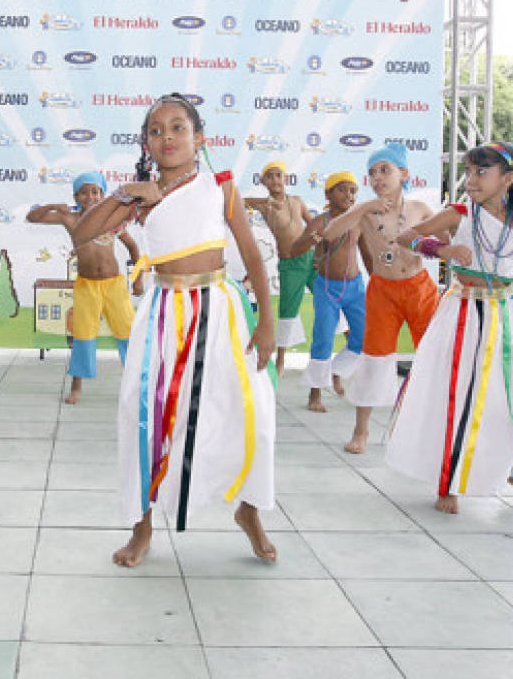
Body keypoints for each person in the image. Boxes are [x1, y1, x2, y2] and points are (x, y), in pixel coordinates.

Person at [72, 93, 277, 567]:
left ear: (199, 138)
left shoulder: (219, 185)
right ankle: (141, 526)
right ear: (146, 141)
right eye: (156, 129)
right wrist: (127, 194)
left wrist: (266, 321)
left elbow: (250, 255)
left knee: (252, 415)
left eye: (178, 127)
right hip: (163, 313)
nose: (167, 137)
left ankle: (249, 510)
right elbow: (83, 233)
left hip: (220, 310)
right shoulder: (141, 198)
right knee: (143, 417)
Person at [387, 141, 513, 514]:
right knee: (458, 395)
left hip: (508, 321)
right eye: (469, 171)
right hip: (462, 314)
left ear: (508, 178)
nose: (471, 180)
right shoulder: (460, 214)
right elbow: (405, 237)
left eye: (481, 172)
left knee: (507, 399)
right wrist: (441, 250)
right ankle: (448, 481)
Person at [313, 143, 438, 453]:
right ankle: (361, 431)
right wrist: (363, 208)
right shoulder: (365, 212)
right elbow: (330, 233)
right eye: (372, 172)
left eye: (385, 170)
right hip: (383, 291)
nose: (378, 177)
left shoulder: (420, 208)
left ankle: (428, 426)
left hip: (420, 288)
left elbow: (447, 237)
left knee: (434, 357)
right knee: (374, 359)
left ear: (404, 173)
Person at [26, 171, 143, 404]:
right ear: (76, 196)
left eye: (95, 191)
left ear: (103, 195)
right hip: (86, 286)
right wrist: (52, 206)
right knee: (83, 335)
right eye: (84, 192)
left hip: (114, 285)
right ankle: (76, 387)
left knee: (128, 334)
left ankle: (138, 386)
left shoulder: (112, 221)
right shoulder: (70, 219)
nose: (90, 196)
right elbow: (32, 217)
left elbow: (133, 248)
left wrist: (138, 278)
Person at [290, 172, 367, 413]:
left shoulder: (359, 220)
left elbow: (366, 253)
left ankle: (337, 370)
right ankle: (315, 393)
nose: (349, 195)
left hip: (355, 286)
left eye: (353, 190)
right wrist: (317, 236)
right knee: (323, 339)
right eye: (342, 189)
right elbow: (295, 249)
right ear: (328, 194)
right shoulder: (320, 221)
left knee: (364, 338)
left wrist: (378, 280)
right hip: (327, 288)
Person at [243, 160, 315, 376]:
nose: (275, 180)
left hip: (311, 260)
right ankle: (281, 360)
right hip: (290, 264)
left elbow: (314, 226)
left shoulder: (297, 201)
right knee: (287, 311)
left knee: (331, 298)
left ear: (285, 179)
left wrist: (318, 243)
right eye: (270, 176)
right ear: (264, 181)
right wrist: (260, 203)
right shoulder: (264, 204)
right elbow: (239, 201)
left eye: (278, 175)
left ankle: (354, 350)